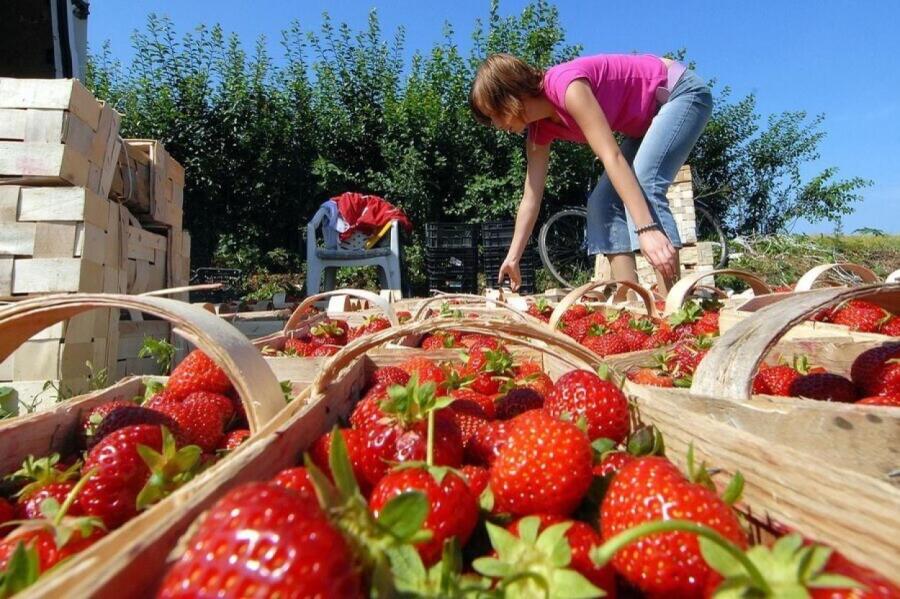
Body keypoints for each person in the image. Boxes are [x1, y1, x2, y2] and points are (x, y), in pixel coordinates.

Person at [469, 52, 712, 293]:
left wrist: (646, 229)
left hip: (678, 93)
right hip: (646, 124)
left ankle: (674, 309)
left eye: (495, 114)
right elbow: (531, 197)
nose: (498, 126)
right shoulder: (538, 131)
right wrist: (513, 258)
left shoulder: (566, 86)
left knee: (644, 183)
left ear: (510, 94)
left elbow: (611, 156)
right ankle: (631, 301)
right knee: (602, 203)